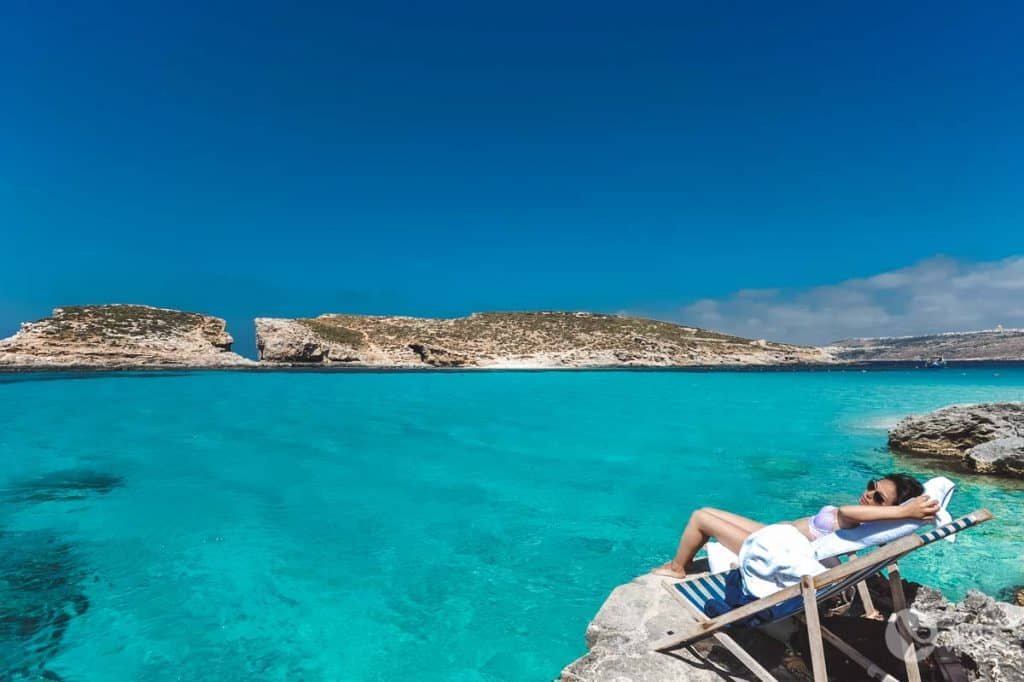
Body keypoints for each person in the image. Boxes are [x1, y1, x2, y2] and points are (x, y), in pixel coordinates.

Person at [651, 473, 938, 579]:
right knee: (706, 511)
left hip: (771, 549)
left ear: (889, 508)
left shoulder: (857, 517)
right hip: (771, 536)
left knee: (701, 518)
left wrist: (906, 510)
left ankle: (678, 569)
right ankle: (681, 561)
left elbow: (846, 511)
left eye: (878, 497)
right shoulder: (865, 519)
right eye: (872, 485)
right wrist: (900, 511)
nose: (869, 493)